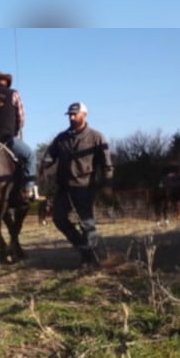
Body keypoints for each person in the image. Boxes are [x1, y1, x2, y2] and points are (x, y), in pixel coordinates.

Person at [39, 102, 114, 269]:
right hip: (64, 187)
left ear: (84, 115)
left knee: (87, 223)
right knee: (58, 219)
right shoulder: (61, 138)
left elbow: (107, 164)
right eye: (70, 115)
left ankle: (91, 258)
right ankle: (83, 248)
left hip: (85, 186)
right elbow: (50, 155)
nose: (72, 117)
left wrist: (107, 184)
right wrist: (43, 165)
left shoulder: (96, 137)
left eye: (75, 114)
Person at [0, 70, 39, 200]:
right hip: (5, 138)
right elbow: (21, 118)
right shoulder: (13, 94)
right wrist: (16, 132)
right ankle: (28, 189)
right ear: (6, 82)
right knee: (30, 156)